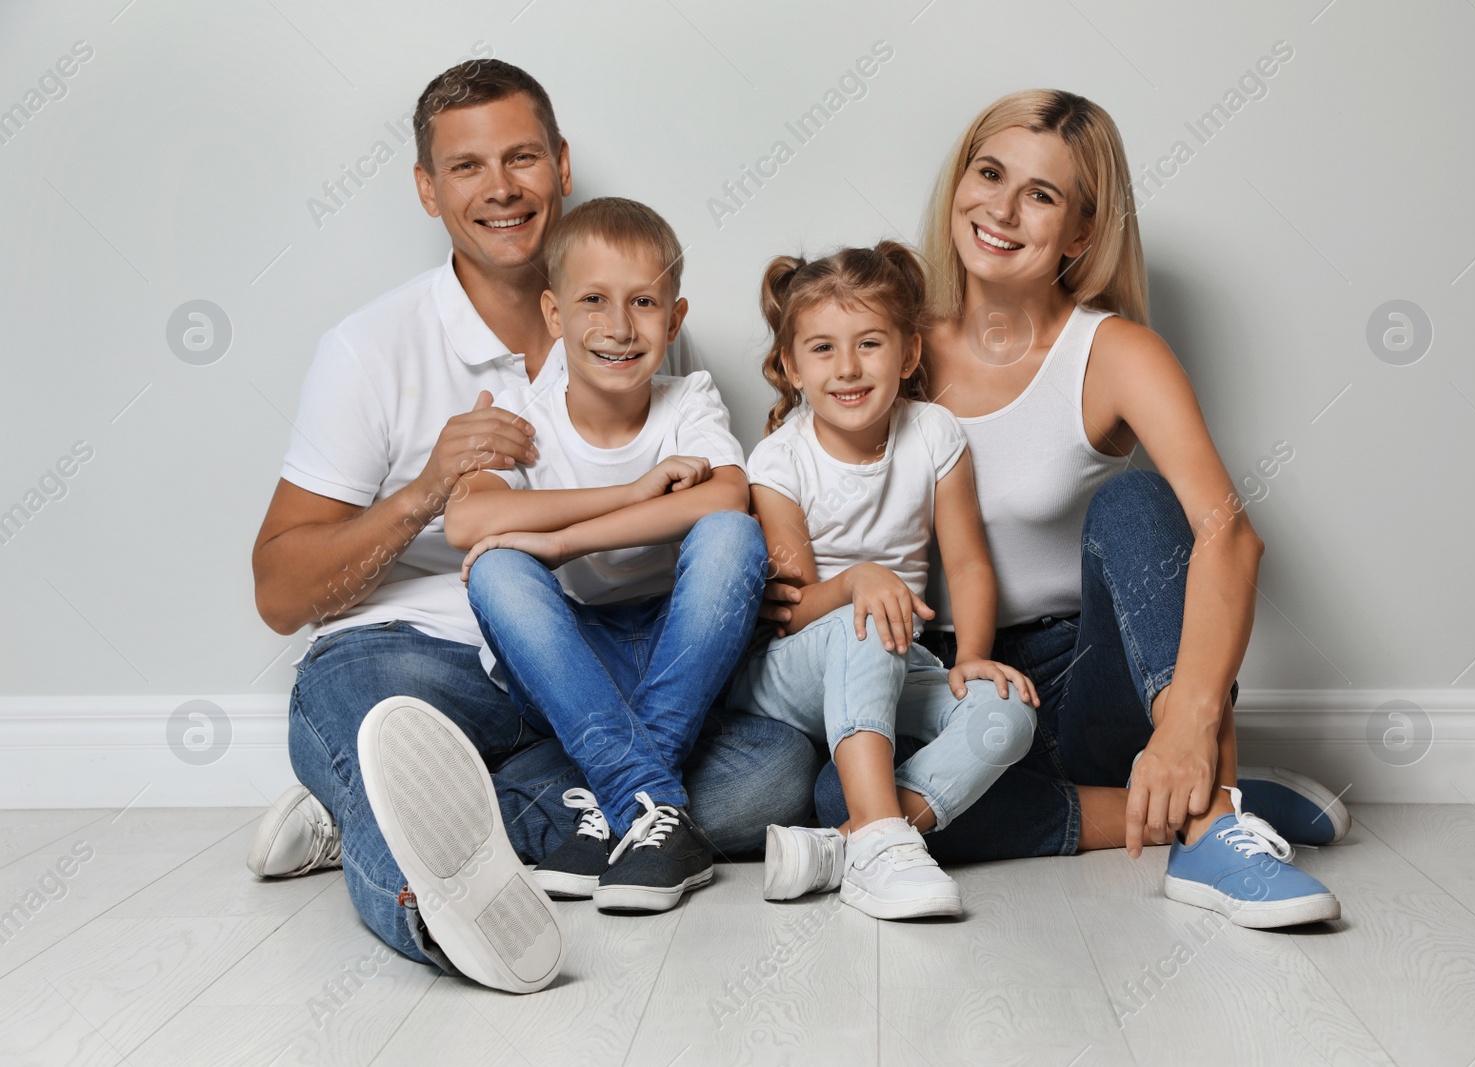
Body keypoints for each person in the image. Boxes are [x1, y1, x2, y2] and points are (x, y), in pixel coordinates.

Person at [247, 60, 816, 989]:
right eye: (467, 166)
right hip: (424, 663)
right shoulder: (369, 347)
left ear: (560, 165)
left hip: (587, 679)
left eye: (522, 158)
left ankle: (383, 807)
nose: (501, 187)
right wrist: (426, 488)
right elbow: (280, 594)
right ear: (428, 190)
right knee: (374, 714)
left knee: (774, 775)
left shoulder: (634, 328)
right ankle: (435, 908)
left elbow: (709, 507)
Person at [784, 90, 1349, 929]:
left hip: (1083, 684)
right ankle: (1166, 801)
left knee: (1138, 500)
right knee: (842, 790)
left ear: (1081, 233)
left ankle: (1207, 819)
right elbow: (802, 473)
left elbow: (1232, 536)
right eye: (989, 174)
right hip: (939, 681)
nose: (1001, 209)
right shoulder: (888, 346)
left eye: (1041, 195)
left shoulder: (1115, 351)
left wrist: (1192, 722)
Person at [446, 197, 764, 915]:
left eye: (644, 302)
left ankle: (613, 808)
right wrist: (635, 492)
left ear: (675, 319)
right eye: (593, 300)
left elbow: (727, 499)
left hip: (677, 661)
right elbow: (470, 518)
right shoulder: (528, 415)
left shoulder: (690, 400)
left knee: (734, 538)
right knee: (497, 569)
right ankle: (650, 807)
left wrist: (561, 539)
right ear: (555, 316)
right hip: (575, 666)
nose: (619, 328)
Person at [727, 242, 1039, 920]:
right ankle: (877, 837)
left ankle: (851, 845)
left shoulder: (933, 432)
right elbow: (792, 610)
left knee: (1008, 714)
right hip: (793, 669)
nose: (847, 368)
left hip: (897, 657)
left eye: (869, 343)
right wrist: (857, 582)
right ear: (790, 365)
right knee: (867, 625)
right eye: (822, 349)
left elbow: (968, 562)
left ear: (908, 353)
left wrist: (975, 657)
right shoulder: (779, 459)